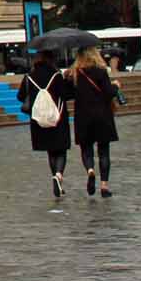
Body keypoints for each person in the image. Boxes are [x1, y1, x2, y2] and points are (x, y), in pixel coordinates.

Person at [16, 51, 76, 199]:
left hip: (39, 119)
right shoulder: (56, 76)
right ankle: (59, 175)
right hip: (58, 117)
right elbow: (67, 94)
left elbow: (20, 96)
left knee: (50, 151)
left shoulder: (29, 77)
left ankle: (55, 177)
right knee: (61, 149)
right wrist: (68, 80)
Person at [68, 46, 120, 199]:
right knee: (104, 151)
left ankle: (90, 170)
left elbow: (69, 93)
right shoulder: (100, 71)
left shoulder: (75, 74)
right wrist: (116, 86)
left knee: (86, 148)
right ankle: (104, 186)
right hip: (102, 115)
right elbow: (109, 92)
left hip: (83, 116)